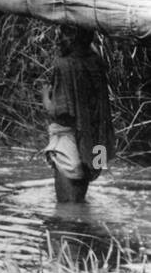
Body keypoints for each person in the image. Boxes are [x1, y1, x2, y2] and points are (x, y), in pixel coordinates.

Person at [41, 25, 116, 203]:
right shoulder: (96, 62)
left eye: (64, 33)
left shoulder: (64, 64)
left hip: (69, 145)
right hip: (94, 147)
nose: (58, 39)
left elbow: (61, 113)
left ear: (74, 36)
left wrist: (45, 97)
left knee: (66, 208)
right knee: (80, 202)